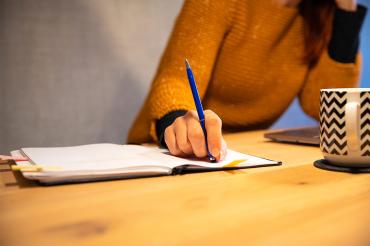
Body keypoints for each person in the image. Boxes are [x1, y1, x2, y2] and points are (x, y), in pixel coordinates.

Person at [128, 0, 367, 161]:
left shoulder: (317, 14)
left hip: (239, 157)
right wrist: (177, 121)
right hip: (170, 151)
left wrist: (346, 12)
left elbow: (320, 106)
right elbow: (175, 81)